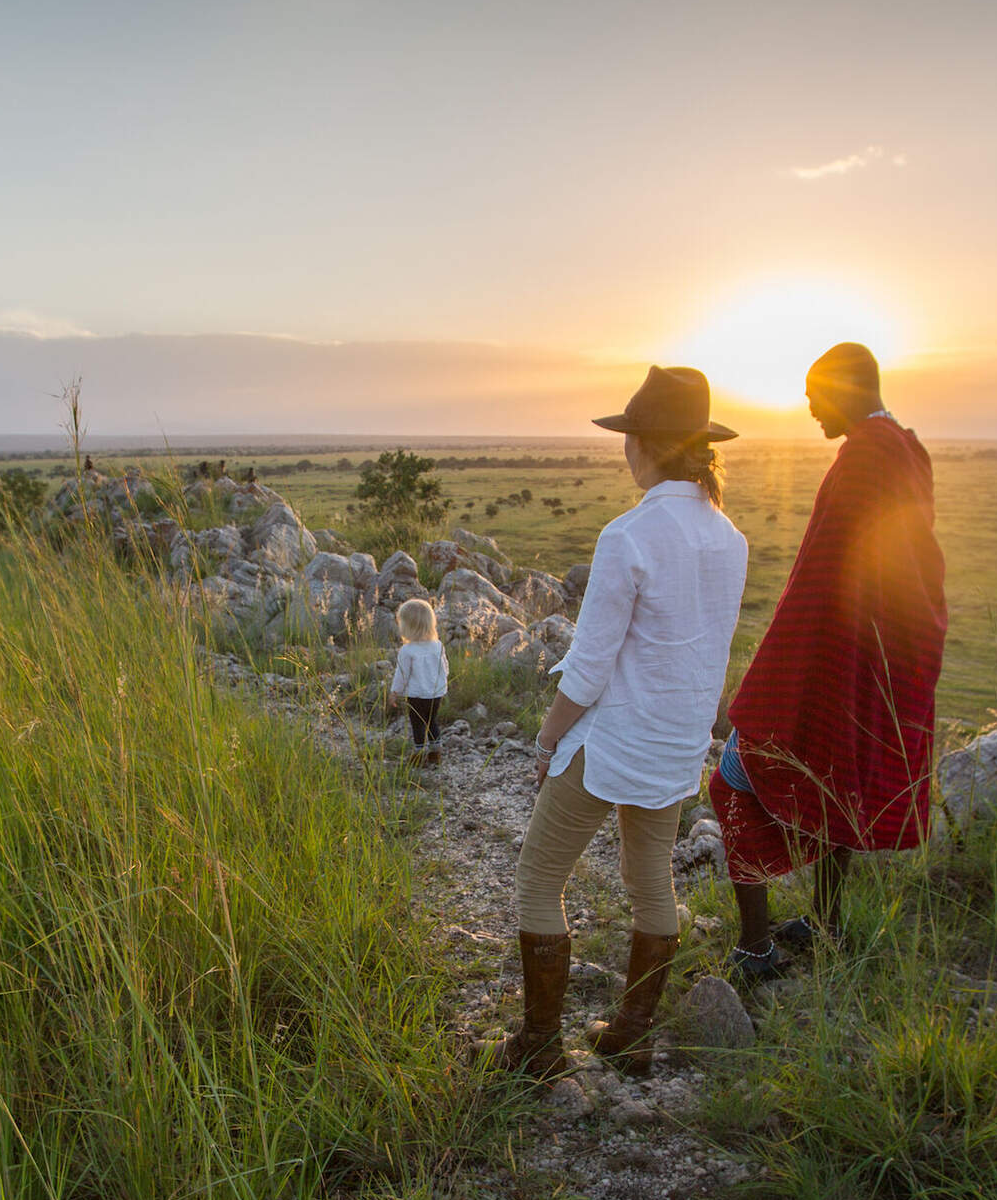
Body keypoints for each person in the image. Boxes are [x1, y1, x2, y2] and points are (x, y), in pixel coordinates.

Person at [487, 365, 748, 1081]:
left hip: (613, 739)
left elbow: (589, 665)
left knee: (538, 877)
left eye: (628, 437)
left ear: (644, 444)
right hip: (675, 743)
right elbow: (708, 655)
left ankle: (538, 1048)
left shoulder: (627, 534)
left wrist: (546, 741)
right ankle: (630, 1033)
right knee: (649, 880)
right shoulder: (730, 538)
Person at [714, 341, 947, 981]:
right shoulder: (905, 447)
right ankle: (828, 924)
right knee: (838, 790)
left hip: (838, 659)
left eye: (816, 397)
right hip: (879, 661)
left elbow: (822, 582)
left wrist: (776, 678)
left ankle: (755, 951)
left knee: (733, 778)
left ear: (843, 390)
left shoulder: (864, 458)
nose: (811, 412)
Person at [388, 598, 449, 765]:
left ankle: (418, 755)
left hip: (416, 695)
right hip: (436, 693)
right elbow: (445, 668)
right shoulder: (438, 645)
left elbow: (402, 675)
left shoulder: (407, 650)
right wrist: (441, 685)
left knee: (418, 724)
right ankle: (436, 753)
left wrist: (394, 692)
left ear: (407, 626)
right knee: (432, 721)